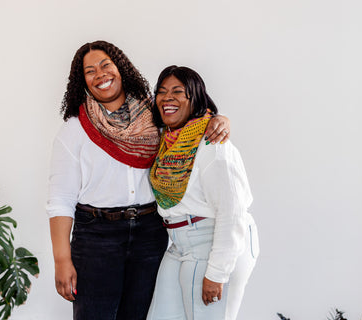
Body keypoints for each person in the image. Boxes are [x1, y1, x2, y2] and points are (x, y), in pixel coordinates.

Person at [47, 41, 231, 320]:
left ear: (121, 68)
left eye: (106, 65)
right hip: (97, 237)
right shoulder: (75, 128)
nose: (100, 74)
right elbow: (60, 199)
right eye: (90, 71)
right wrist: (62, 260)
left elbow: (189, 121)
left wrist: (221, 120)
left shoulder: (153, 115)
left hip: (149, 232)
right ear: (81, 81)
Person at [147, 65, 259, 320]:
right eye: (162, 92)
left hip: (212, 242)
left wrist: (217, 273)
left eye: (178, 91)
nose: (167, 98)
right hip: (178, 244)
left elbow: (232, 212)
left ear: (195, 98)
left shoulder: (213, 145)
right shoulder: (167, 140)